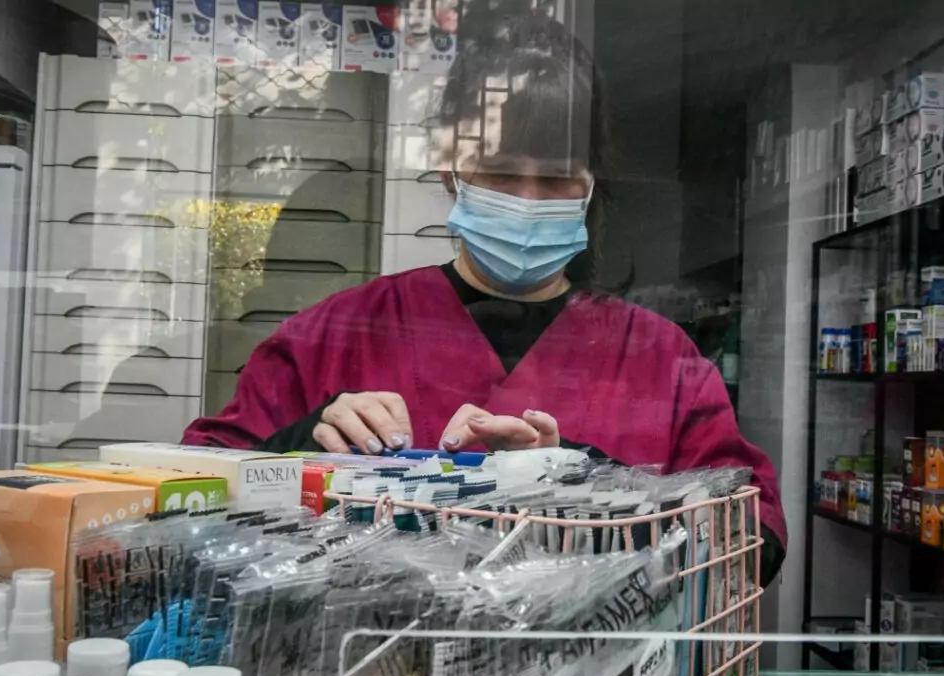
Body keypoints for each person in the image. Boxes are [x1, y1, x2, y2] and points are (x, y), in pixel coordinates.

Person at [184, 6, 787, 584]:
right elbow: (189, 500)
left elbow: (754, 539)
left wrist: (585, 479)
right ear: (452, 171)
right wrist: (303, 445)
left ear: (589, 185)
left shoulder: (659, 358)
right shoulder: (335, 336)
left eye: (557, 178)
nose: (528, 198)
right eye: (500, 171)